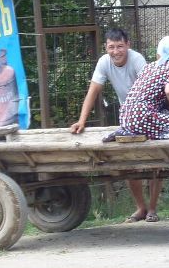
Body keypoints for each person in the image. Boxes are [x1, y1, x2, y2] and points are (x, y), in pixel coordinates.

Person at [68, 27, 159, 223]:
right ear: (106, 47)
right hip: (128, 115)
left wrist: (141, 117)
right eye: (111, 47)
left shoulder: (137, 60)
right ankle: (141, 208)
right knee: (128, 163)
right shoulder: (104, 62)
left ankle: (152, 208)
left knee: (155, 160)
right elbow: (93, 91)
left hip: (149, 111)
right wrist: (82, 121)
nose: (115, 51)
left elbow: (149, 90)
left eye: (120, 46)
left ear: (128, 45)